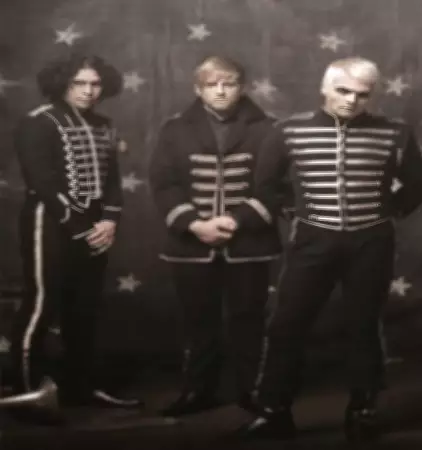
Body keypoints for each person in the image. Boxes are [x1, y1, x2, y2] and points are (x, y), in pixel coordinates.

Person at [236, 56, 422, 442]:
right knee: (287, 323)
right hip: (313, 239)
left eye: (362, 94)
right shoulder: (288, 130)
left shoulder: (395, 132)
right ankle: (274, 410)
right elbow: (265, 185)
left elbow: (418, 184)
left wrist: (389, 210)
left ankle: (363, 409)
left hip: (371, 241)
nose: (352, 100)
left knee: (364, 325)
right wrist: (296, 211)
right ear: (325, 88)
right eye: (343, 91)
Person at [148, 56, 281, 417]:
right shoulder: (174, 129)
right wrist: (194, 224)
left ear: (242, 87)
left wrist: (237, 220)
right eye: (211, 84)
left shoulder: (270, 127)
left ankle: (252, 389)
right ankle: (198, 390)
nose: (221, 91)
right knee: (198, 320)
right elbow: (164, 184)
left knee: (248, 317)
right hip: (190, 244)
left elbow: (277, 187)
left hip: (249, 243)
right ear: (198, 88)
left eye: (229, 83)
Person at [10, 54, 142, 411]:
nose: (88, 91)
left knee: (84, 308)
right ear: (62, 84)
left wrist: (109, 221)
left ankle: (80, 387)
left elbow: (112, 180)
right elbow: (43, 182)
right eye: (78, 83)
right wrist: (81, 227)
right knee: (42, 304)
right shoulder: (39, 122)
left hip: (96, 226)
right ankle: (27, 392)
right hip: (49, 223)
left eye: (95, 84)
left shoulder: (104, 125)